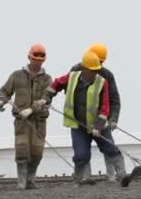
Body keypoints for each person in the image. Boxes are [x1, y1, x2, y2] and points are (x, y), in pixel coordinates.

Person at [37, 51, 122, 185]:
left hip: (98, 124)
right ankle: (79, 179)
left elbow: (105, 107)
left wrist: (98, 127)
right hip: (79, 125)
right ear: (84, 68)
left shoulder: (102, 82)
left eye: (96, 70)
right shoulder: (72, 77)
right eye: (91, 70)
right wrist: (45, 99)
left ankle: (123, 176)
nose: (94, 73)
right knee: (81, 156)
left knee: (110, 148)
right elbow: (55, 86)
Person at [0, 44, 53, 190]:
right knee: (22, 151)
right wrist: (1, 100)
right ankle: (21, 182)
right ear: (29, 58)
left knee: (37, 152)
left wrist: (32, 109)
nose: (38, 62)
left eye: (41, 60)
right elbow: (4, 91)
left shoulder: (47, 79)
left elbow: (47, 99)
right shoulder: (17, 76)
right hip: (22, 122)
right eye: (35, 59)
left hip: (39, 121)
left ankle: (30, 180)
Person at [70, 43, 126, 182]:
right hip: (80, 122)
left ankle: (121, 175)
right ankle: (84, 178)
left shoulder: (107, 75)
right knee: (82, 152)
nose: (98, 65)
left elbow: (114, 99)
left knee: (110, 147)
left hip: (100, 121)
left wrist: (113, 119)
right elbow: (69, 92)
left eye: (101, 62)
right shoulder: (76, 71)